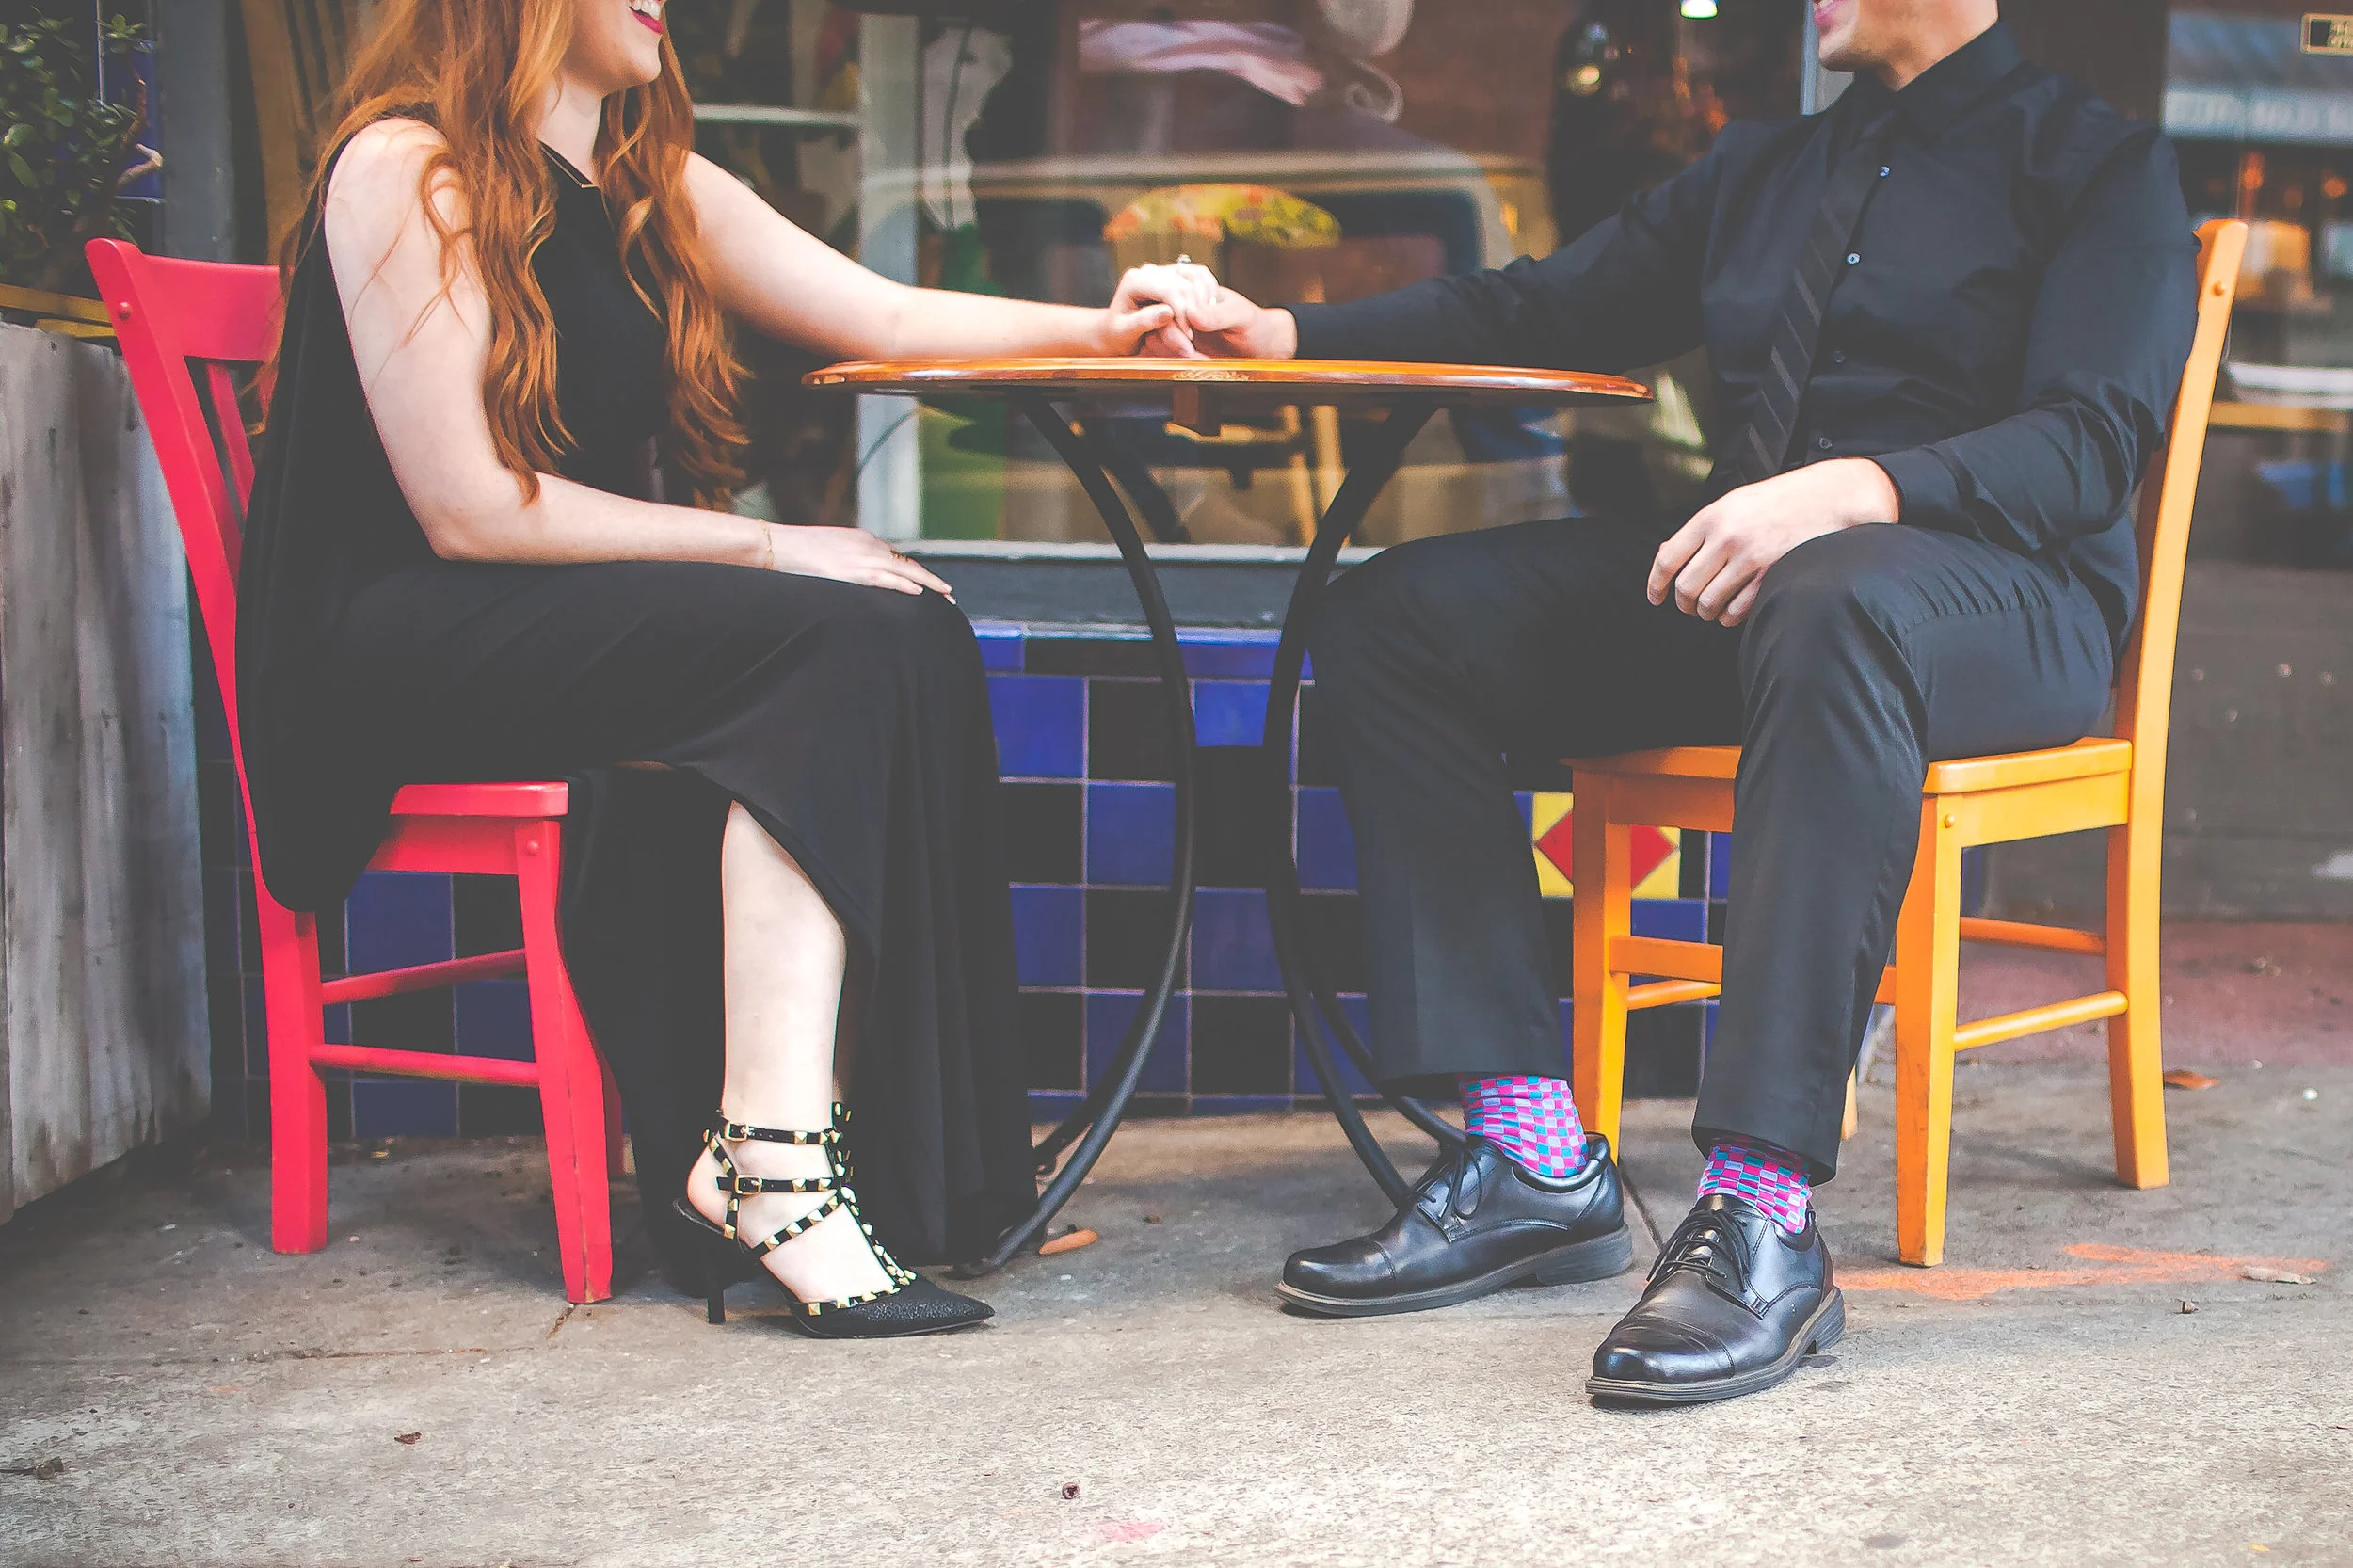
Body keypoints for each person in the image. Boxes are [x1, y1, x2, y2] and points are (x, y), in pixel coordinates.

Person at [1122, 0, 2197, 1401]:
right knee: (1397, 618)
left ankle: (1763, 1212)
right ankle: (1530, 1156)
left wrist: (1852, 489)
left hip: (2006, 604)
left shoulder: (2098, 162)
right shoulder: (1762, 171)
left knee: (1836, 596)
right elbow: (1537, 305)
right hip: (1775, 600)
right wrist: (1280, 330)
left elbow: (2095, 437)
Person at [241, 0, 1210, 1338]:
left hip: (546, 608)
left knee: (899, 622)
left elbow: (880, 308)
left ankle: (801, 1147)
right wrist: (770, 546)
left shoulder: (641, 180)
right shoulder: (406, 168)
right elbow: (466, 509)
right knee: (829, 623)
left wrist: (1103, 329)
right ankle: (770, 1170)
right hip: (402, 637)